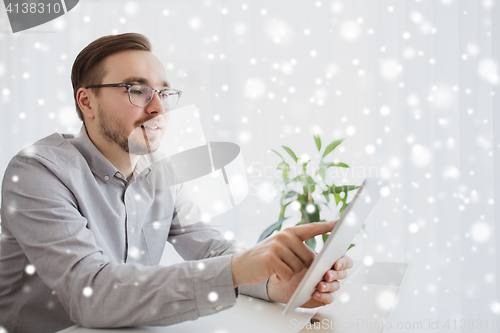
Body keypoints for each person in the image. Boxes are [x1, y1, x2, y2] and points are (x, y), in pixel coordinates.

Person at [0, 33, 353, 333]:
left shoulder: (160, 170)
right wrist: (238, 269)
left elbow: (212, 248)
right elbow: (91, 293)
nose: (158, 109)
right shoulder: (37, 172)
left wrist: (276, 284)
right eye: (136, 90)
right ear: (87, 101)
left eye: (164, 93)